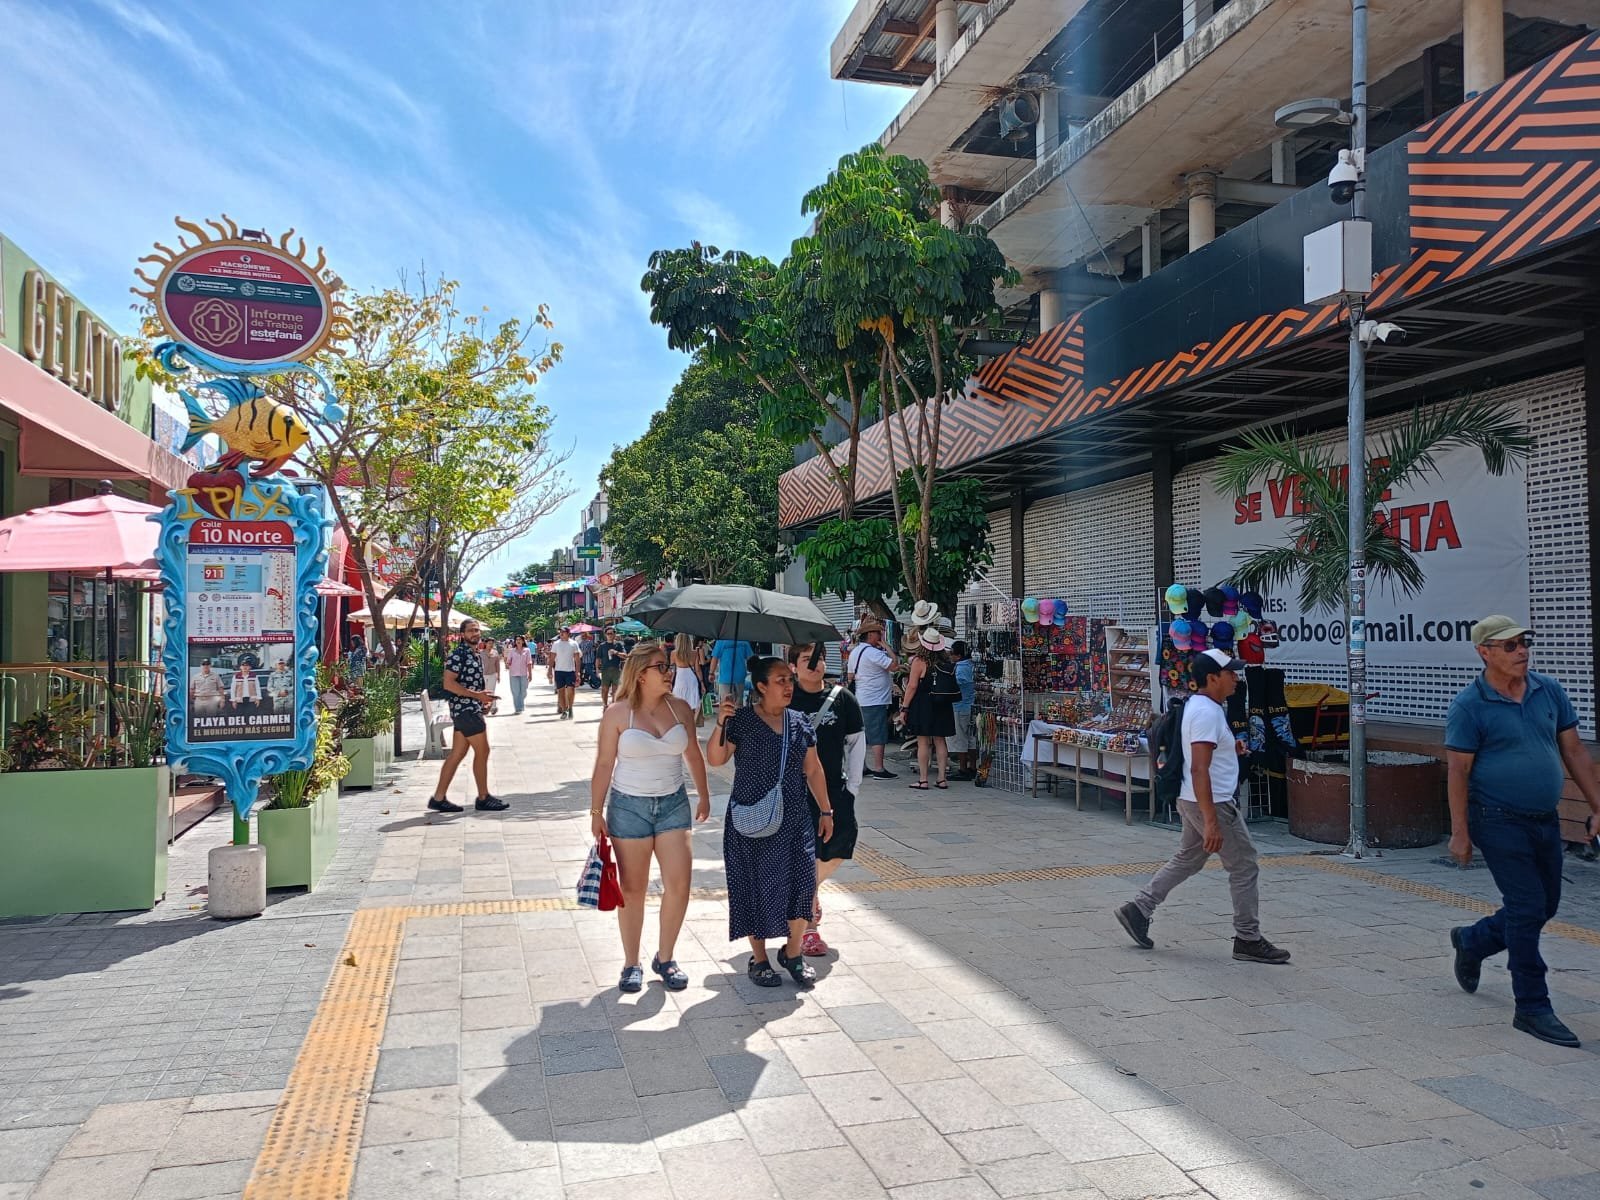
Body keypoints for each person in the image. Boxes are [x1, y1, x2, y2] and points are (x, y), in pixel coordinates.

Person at [1445, 615, 1600, 1048]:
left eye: (1523, 643)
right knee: (1528, 905)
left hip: (1543, 818)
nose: (1521, 652)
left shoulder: (1547, 691)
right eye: (1509, 646)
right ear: (1484, 652)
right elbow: (1458, 770)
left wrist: (1598, 807)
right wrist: (1461, 833)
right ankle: (1532, 1006)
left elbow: (1574, 750)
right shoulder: (1469, 705)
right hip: (1496, 818)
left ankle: (1473, 941)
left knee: (1543, 905)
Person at [1115, 648, 1290, 964]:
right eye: (1230, 673)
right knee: (1245, 864)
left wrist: (1229, 746)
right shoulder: (1207, 712)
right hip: (1212, 803)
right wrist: (1211, 821)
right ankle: (1248, 938)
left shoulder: (1200, 705)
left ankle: (1139, 908)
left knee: (1189, 859)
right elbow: (1199, 768)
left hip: (1192, 799)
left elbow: (1202, 754)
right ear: (1212, 678)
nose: (1236, 678)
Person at [590, 642, 712, 993]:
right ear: (641, 674)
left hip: (673, 804)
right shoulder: (618, 713)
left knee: (679, 884)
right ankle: (631, 963)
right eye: (662, 666)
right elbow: (603, 764)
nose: (669, 671)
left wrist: (703, 794)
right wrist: (596, 811)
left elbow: (693, 754)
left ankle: (666, 957)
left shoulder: (681, 709)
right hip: (629, 807)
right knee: (633, 889)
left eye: (668, 665)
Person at [706, 656, 834, 989]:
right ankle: (759, 958)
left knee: (803, 885)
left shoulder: (799, 721)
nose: (788, 686)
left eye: (789, 679)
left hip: (795, 819)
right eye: (780, 680)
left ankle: (792, 953)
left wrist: (826, 810)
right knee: (754, 886)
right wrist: (721, 722)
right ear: (761, 686)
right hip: (750, 819)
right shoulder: (743, 720)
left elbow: (814, 769)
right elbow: (716, 759)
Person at [787, 643, 865, 957]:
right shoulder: (785, 696)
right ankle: (809, 928)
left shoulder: (843, 699)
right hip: (792, 791)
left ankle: (805, 890)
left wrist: (854, 788)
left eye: (818, 658)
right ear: (792, 666)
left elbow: (857, 744)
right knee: (802, 852)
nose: (814, 664)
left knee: (841, 845)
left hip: (834, 790)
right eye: (806, 659)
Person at [427, 619, 508, 813]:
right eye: (471, 630)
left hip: (470, 707)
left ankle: (438, 798)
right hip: (465, 710)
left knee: (457, 754)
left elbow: (471, 683)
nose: (475, 633)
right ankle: (483, 797)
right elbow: (448, 684)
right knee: (483, 751)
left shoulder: (474, 654)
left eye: (477, 630)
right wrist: (475, 696)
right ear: (462, 633)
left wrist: (482, 699)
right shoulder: (458, 655)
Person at [899, 628, 956, 790]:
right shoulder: (946, 662)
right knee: (940, 740)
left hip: (923, 704)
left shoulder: (919, 661)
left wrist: (904, 708)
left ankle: (923, 780)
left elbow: (912, 686)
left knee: (923, 741)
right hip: (942, 704)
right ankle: (942, 779)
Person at [847, 618, 897, 779]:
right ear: (870, 635)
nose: (881, 635)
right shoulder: (873, 653)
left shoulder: (855, 652)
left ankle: (862, 767)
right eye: (878, 633)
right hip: (874, 699)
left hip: (861, 698)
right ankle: (879, 768)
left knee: (862, 734)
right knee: (878, 734)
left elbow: (850, 675)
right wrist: (887, 647)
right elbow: (894, 665)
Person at [947, 640, 977, 781]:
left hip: (960, 707)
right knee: (971, 738)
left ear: (958, 655)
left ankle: (963, 768)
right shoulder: (970, 666)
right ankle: (972, 766)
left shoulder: (959, 669)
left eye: (951, 653)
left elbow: (957, 684)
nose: (950, 656)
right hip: (970, 705)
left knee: (961, 738)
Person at [710, 636, 754, 705]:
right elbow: (750, 658)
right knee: (739, 704)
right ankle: (738, 715)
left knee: (726, 704)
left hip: (725, 677)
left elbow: (715, 658)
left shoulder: (721, 641)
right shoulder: (743, 640)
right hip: (740, 676)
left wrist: (711, 673)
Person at [671, 633, 703, 725]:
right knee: (692, 706)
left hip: (680, 681)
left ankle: (681, 726)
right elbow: (698, 670)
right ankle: (692, 728)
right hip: (692, 680)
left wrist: (669, 683)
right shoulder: (694, 653)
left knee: (678, 705)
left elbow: (672, 671)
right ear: (689, 642)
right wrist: (702, 683)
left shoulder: (674, 654)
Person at [551, 628, 579, 719]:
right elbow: (552, 658)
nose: (561, 634)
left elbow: (577, 659)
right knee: (561, 692)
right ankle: (564, 710)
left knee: (571, 690)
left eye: (563, 632)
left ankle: (570, 708)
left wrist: (577, 673)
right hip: (559, 671)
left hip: (570, 671)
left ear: (568, 633)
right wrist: (549, 670)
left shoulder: (573, 644)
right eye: (560, 632)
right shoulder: (556, 644)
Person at [504, 635, 534, 714]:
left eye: (520, 639)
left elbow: (529, 663)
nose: (518, 641)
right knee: (515, 691)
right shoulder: (512, 651)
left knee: (523, 691)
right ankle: (518, 708)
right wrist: (507, 664)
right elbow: (508, 661)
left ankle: (521, 704)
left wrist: (530, 674)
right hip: (513, 674)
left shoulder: (527, 650)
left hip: (524, 673)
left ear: (523, 641)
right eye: (517, 640)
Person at [599, 629, 627, 707]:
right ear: (605, 635)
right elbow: (598, 658)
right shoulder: (602, 645)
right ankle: (605, 705)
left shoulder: (619, 645)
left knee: (615, 690)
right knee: (605, 690)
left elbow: (625, 656)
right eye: (608, 633)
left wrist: (616, 652)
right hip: (605, 670)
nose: (610, 635)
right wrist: (597, 670)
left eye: (611, 633)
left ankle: (613, 706)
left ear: (614, 634)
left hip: (616, 669)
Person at [479, 636, 502, 710]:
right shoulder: (480, 653)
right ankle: (483, 706)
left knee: (491, 691)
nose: (491, 645)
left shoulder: (495, 652)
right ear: (485, 643)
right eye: (489, 643)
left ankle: (493, 707)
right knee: (483, 691)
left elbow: (497, 665)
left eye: (492, 643)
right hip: (483, 675)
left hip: (492, 674)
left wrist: (498, 675)